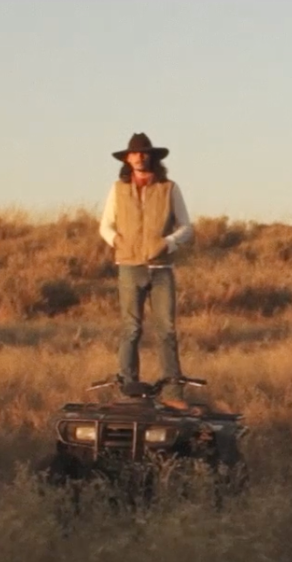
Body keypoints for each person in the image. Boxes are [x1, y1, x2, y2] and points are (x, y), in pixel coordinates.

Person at [98, 132, 195, 405]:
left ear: (152, 157)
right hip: (129, 267)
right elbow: (105, 225)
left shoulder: (169, 188)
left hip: (161, 268)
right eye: (135, 153)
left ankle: (173, 393)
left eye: (144, 153)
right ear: (127, 159)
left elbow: (186, 227)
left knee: (166, 329)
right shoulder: (117, 189)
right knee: (131, 329)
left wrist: (168, 243)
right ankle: (129, 391)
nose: (140, 157)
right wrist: (117, 241)